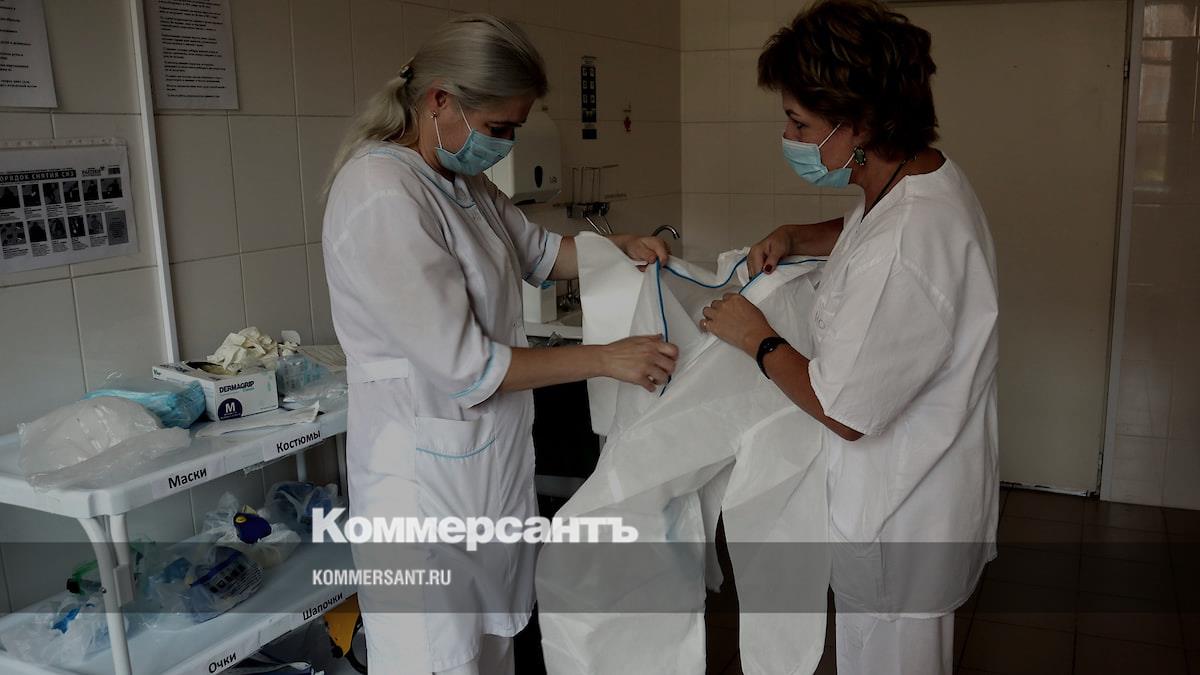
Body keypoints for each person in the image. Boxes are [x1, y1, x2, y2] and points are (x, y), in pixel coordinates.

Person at [322, 15, 679, 675]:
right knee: (437, 658)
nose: (507, 143)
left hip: (479, 472)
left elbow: (539, 253)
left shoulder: (461, 182)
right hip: (420, 486)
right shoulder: (381, 195)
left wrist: (619, 247)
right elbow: (468, 368)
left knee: (489, 653)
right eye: (500, 127)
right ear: (440, 101)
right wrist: (607, 358)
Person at [699, 1, 1000, 673]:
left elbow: (843, 409)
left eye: (800, 123)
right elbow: (869, 222)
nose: (788, 136)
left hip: (901, 518)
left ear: (859, 123)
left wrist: (756, 337)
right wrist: (800, 234)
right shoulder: (917, 175)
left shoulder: (905, 247)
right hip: (914, 500)